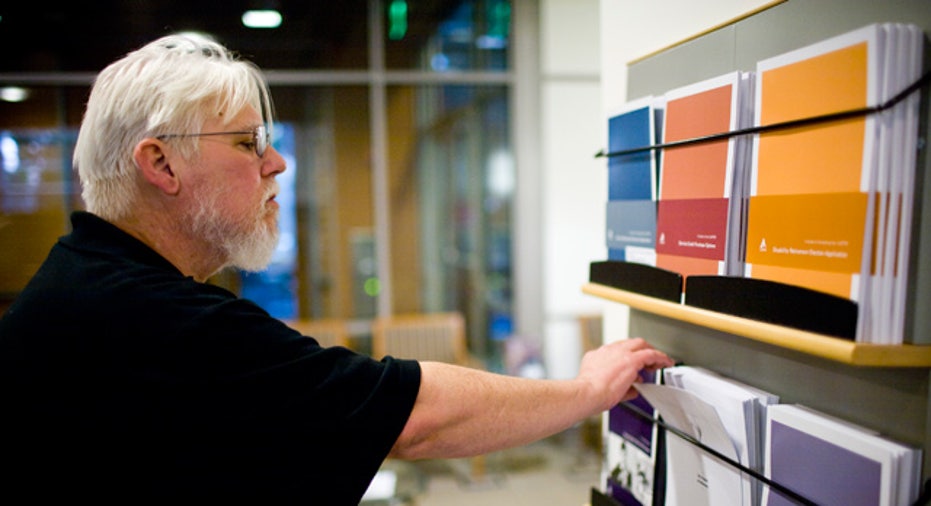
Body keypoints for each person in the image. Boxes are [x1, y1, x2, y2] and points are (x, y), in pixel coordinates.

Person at [0, 34, 673, 503]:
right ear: (161, 164)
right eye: (247, 144)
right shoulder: (145, 316)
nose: (276, 163)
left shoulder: (90, 280)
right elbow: (415, 415)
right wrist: (585, 391)